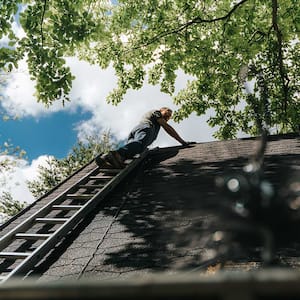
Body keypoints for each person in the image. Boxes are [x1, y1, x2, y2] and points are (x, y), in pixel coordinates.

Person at [95, 107, 190, 169]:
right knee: (139, 145)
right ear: (162, 110)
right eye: (168, 112)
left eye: (169, 116)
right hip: (145, 129)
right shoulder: (156, 113)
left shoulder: (156, 119)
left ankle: (106, 160)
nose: (168, 116)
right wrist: (182, 141)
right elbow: (168, 128)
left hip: (137, 131)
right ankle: (112, 155)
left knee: (131, 151)